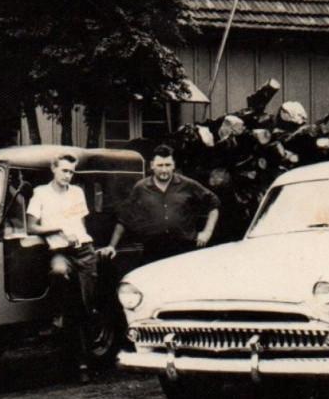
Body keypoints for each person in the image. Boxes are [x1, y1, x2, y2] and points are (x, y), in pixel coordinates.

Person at [26, 153, 98, 371]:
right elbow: (32, 226)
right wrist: (57, 229)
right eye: (64, 170)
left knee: (85, 307)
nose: (67, 175)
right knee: (58, 272)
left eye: (71, 172)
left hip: (83, 251)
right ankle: (58, 314)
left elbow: (80, 224)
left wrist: (77, 236)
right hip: (59, 250)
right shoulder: (41, 193)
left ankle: (85, 361)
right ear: (53, 168)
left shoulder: (77, 193)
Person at [99, 144, 220, 264]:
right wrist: (111, 246)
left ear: (174, 165)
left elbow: (214, 203)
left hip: (184, 249)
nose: (164, 170)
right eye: (160, 165)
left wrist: (207, 232)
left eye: (168, 165)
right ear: (152, 165)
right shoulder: (141, 188)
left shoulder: (188, 185)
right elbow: (125, 218)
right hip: (153, 251)